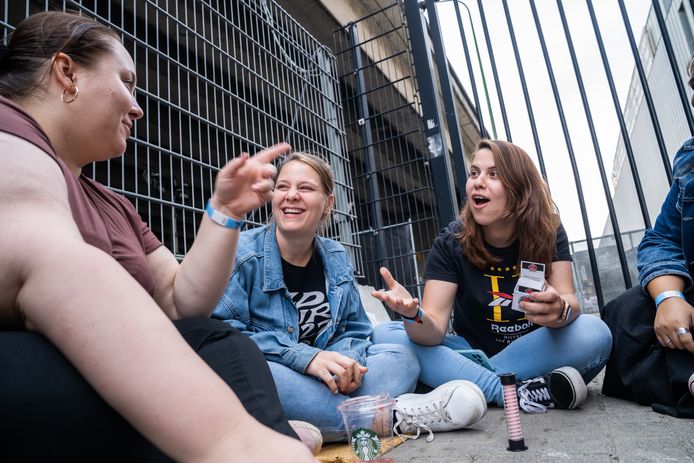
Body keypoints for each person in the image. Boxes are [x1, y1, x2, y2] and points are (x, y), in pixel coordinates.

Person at [0, 11, 316, 462]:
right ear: (66, 73)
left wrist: (223, 213)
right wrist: (232, 441)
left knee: (214, 339)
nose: (137, 105)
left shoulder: (112, 203)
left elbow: (179, 301)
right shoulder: (9, 130)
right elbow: (47, 261)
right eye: (126, 82)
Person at [212, 152, 487, 443]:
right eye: (282, 187)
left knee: (401, 358)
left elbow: (355, 329)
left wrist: (346, 364)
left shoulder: (335, 255)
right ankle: (397, 417)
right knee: (261, 378)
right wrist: (308, 359)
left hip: (327, 383)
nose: (291, 196)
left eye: (305, 188)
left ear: (328, 203)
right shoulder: (241, 252)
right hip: (282, 373)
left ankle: (305, 422)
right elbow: (225, 338)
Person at [371, 139, 613, 414]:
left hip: (534, 350)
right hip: (470, 352)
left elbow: (571, 301)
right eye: (474, 173)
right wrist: (412, 315)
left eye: (493, 174)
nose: (478, 181)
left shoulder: (549, 229)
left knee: (595, 333)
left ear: (521, 188)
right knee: (385, 334)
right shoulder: (452, 241)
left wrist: (561, 309)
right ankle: (510, 391)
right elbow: (434, 331)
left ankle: (466, 382)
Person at [601, 60, 694, 418]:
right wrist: (669, 298)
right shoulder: (690, 162)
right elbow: (661, 240)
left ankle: (682, 381)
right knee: (624, 313)